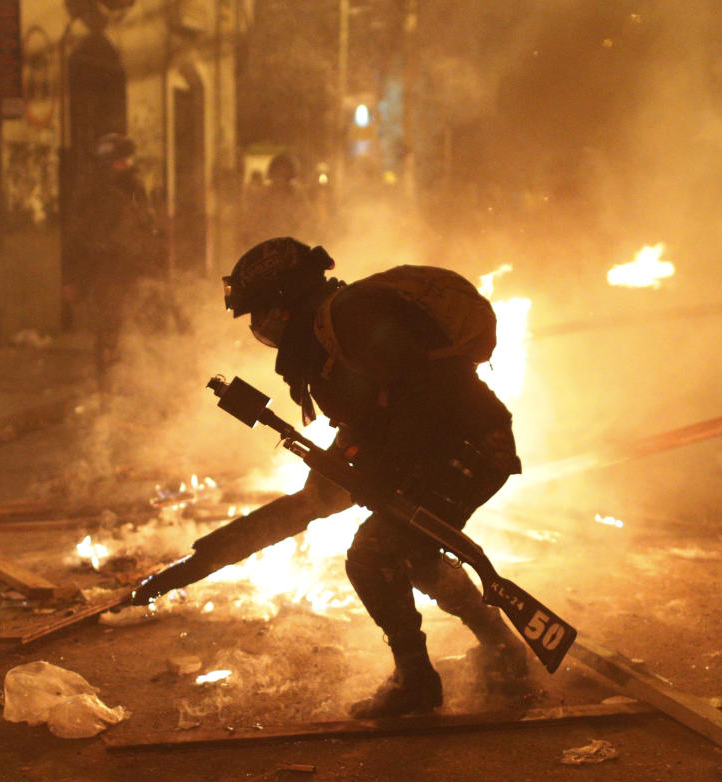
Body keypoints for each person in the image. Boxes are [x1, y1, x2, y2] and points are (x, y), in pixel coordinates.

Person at [221, 236, 529, 717]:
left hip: (469, 448)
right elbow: (373, 410)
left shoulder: (350, 317)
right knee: (411, 551)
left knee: (372, 555)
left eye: (261, 314)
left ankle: (418, 683)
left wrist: (383, 472)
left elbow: (423, 394)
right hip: (451, 447)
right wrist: (338, 466)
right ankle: (505, 652)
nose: (263, 329)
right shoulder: (330, 329)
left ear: (284, 302)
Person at [71, 132, 166, 391]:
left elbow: (146, 224)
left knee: (132, 323)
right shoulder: (95, 192)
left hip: (129, 267)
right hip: (106, 268)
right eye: (118, 161)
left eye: (125, 160)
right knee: (108, 326)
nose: (123, 165)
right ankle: (110, 378)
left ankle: (129, 376)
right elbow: (81, 232)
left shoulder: (132, 187)